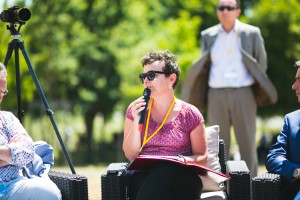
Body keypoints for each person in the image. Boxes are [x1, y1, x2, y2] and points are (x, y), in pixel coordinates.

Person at [181, 0, 277, 176]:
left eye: (229, 8)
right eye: (221, 8)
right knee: (217, 145)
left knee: (247, 143)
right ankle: (220, 185)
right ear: (217, 12)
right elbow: (204, 66)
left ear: (238, 11)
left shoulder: (251, 33)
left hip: (244, 92)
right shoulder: (208, 35)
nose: (225, 11)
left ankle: (250, 186)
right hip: (216, 94)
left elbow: (261, 63)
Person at [123, 50, 208, 200]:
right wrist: (137, 119)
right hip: (145, 178)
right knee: (159, 178)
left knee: (166, 169)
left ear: (171, 79)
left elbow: (203, 158)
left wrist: (182, 160)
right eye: (143, 77)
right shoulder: (135, 109)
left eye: (151, 76)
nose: (146, 82)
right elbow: (131, 154)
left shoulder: (190, 114)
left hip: (183, 180)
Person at [0, 62, 61, 200]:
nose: (0, 97)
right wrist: (10, 156)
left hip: (12, 186)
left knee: (48, 192)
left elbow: (27, 152)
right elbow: (19, 155)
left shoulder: (7, 119)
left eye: (2, 91)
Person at [265, 61, 300, 200]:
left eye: (299, 80)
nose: (293, 86)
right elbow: (274, 157)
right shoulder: (291, 120)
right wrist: (296, 171)